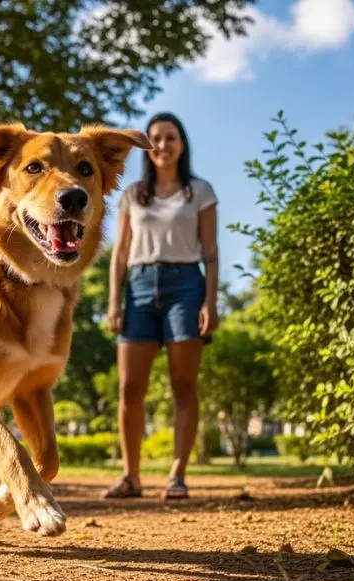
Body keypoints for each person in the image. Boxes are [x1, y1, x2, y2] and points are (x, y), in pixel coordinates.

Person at [102, 112, 219, 501]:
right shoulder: (133, 194)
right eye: (156, 139)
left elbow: (211, 252)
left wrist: (210, 301)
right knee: (129, 388)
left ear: (182, 144)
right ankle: (131, 476)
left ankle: (177, 475)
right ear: (148, 147)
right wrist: (114, 301)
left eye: (171, 138)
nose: (163, 145)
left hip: (186, 286)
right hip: (137, 286)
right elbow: (119, 252)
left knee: (183, 385)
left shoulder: (199, 191)